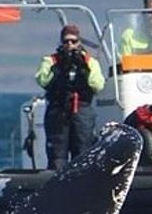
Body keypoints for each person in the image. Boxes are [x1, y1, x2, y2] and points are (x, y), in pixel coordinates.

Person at [35, 24, 105, 171]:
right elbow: (42, 80)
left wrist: (84, 69)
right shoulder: (51, 61)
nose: (70, 45)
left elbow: (98, 85)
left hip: (82, 109)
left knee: (83, 150)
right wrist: (59, 68)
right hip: (58, 110)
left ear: (79, 42)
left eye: (73, 41)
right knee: (57, 155)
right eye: (66, 41)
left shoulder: (90, 62)